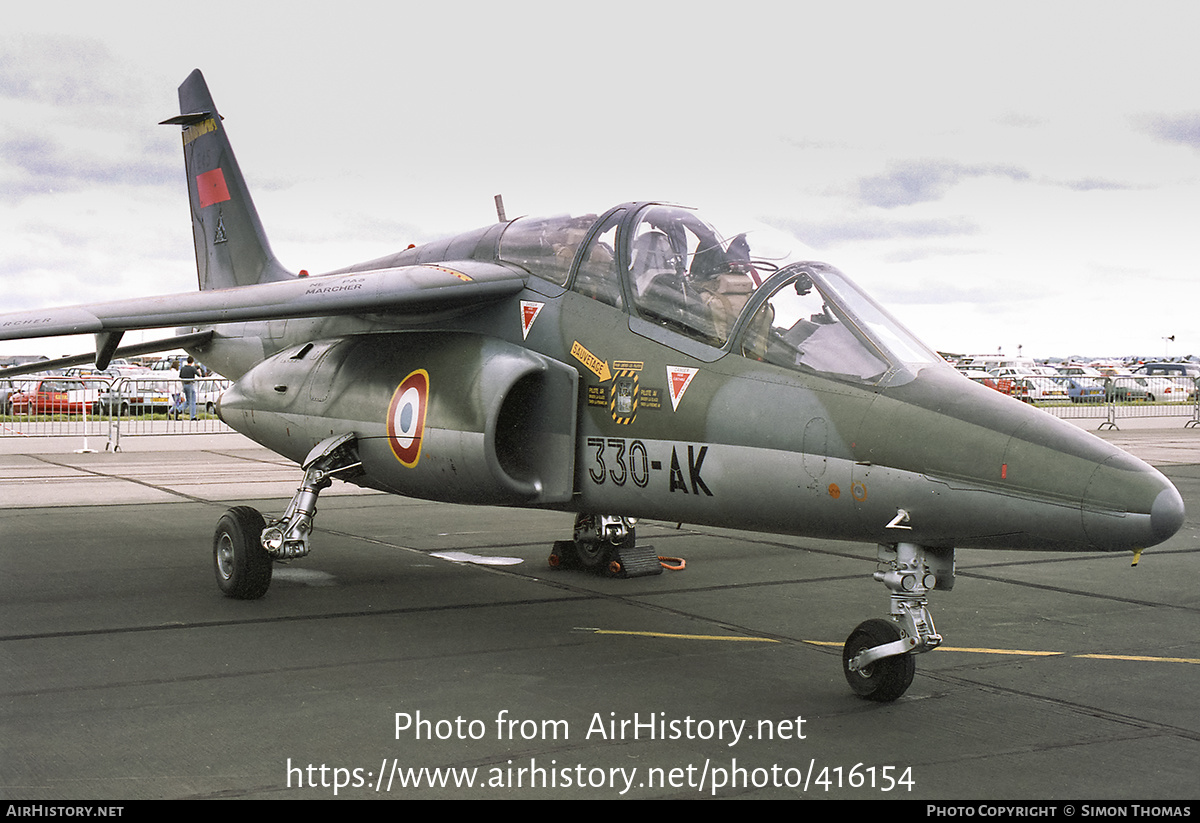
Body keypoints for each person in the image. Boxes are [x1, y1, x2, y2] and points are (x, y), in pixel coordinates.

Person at [179, 356, 199, 420]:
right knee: (192, 401)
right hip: (190, 384)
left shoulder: (183, 368)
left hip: (184, 385)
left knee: (187, 401)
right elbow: (199, 374)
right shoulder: (192, 368)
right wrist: (197, 368)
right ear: (192, 361)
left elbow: (180, 376)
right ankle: (192, 416)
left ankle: (177, 409)